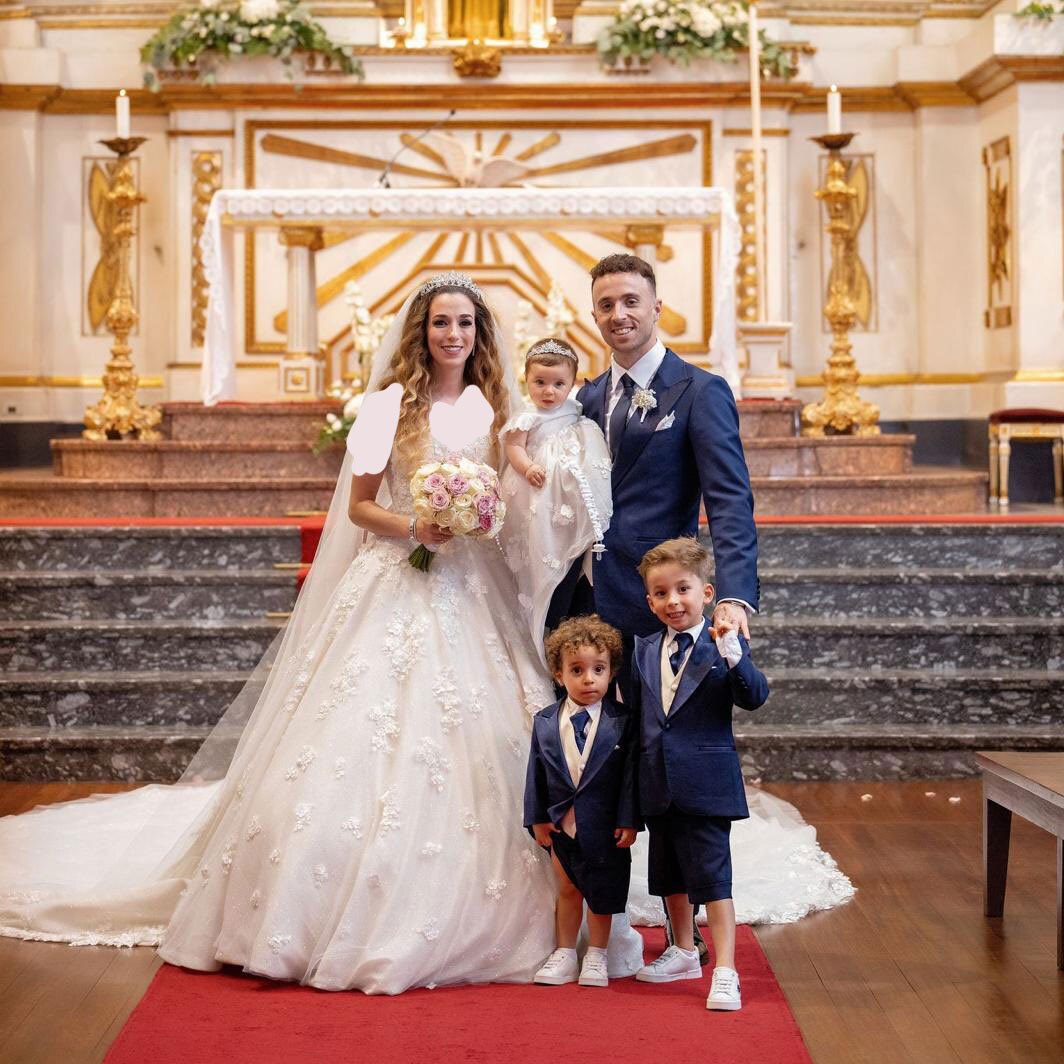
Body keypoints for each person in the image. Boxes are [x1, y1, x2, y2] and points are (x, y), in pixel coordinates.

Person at [0, 272, 654, 994]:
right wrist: (417, 526)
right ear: (421, 330)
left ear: (480, 333)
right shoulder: (383, 407)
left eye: (466, 323)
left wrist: (497, 515)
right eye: (441, 322)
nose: (454, 335)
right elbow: (359, 508)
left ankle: (562, 906)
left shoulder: (498, 403)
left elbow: (515, 493)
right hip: (397, 576)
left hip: (476, 583)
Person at [631, 537, 768, 1011]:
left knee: (712, 878)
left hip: (707, 782)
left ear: (706, 593)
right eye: (661, 593)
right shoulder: (643, 650)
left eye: (683, 589)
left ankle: (726, 968)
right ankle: (684, 952)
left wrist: (733, 652)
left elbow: (754, 696)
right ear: (650, 601)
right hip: (658, 782)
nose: (673, 601)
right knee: (668, 873)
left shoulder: (722, 644)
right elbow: (642, 721)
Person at [523, 616, 638, 989]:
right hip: (562, 825)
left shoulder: (623, 721)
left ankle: (597, 954)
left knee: (602, 892)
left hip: (606, 826)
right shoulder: (545, 721)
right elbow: (536, 773)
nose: (589, 679)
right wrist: (537, 818)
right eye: (577, 670)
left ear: (611, 672)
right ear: (559, 675)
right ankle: (565, 952)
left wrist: (629, 820)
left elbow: (629, 778)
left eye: (598, 669)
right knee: (568, 888)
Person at [498, 337, 612, 668]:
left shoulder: (575, 411)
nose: (549, 391)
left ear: (572, 382)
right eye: (540, 383)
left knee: (565, 551)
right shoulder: (526, 416)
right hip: (534, 494)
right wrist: (527, 467)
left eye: (558, 384)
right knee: (535, 544)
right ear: (527, 380)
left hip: (565, 499)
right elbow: (513, 447)